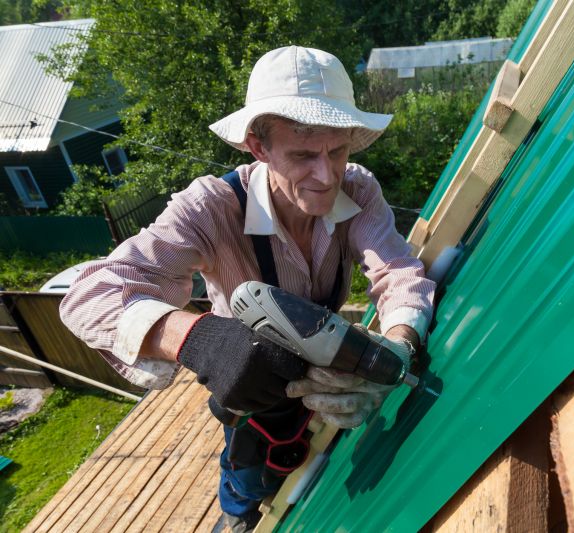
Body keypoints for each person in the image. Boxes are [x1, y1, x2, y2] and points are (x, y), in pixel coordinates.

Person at [60, 45, 435, 532]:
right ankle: (236, 516)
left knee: (303, 450)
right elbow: (89, 294)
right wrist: (197, 339)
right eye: (302, 155)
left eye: (337, 151)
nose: (326, 175)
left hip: (321, 358)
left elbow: (398, 270)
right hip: (247, 376)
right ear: (259, 147)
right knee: (249, 467)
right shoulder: (211, 210)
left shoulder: (358, 189)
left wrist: (400, 343)